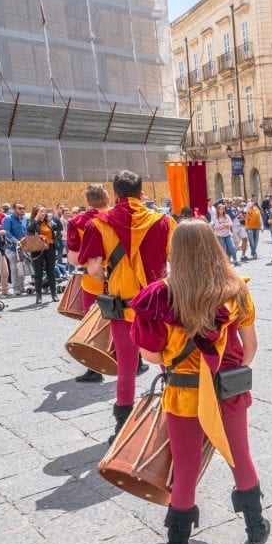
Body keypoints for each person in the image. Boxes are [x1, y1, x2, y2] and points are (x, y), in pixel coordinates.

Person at [130, 219, 268, 544]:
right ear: (213, 246)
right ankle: (255, 528)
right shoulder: (236, 290)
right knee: (241, 457)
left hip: (184, 394)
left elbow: (149, 355)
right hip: (228, 392)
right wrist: (229, 374)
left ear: (176, 251)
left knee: (186, 468)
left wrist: (179, 362)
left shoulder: (160, 295)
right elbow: (250, 347)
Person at [81, 170, 175, 444]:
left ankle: (122, 428)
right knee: (168, 360)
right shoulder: (164, 221)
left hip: (123, 308)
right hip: (159, 304)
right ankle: (175, 419)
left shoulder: (98, 224)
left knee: (126, 366)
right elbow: (177, 262)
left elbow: (95, 270)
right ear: (141, 193)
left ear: (115, 194)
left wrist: (113, 273)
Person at [67, 184, 112, 383]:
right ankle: (135, 361)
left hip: (93, 280)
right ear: (108, 199)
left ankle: (95, 369)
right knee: (128, 318)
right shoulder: (120, 217)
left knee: (92, 322)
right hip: (121, 277)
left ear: (87, 202)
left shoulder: (78, 221)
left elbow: (74, 259)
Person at [26, 205, 59, 305]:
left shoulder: (49, 221)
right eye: (41, 211)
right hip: (38, 248)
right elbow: (29, 230)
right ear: (35, 212)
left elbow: (59, 228)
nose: (43, 213)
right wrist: (36, 218)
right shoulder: (31, 221)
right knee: (38, 272)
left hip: (50, 248)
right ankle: (38, 295)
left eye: (44, 211)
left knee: (51, 272)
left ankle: (54, 293)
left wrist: (56, 217)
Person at [2, 203, 28, 295]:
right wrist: (16, 241)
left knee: (23, 267)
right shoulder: (8, 219)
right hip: (12, 248)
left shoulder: (25, 218)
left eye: (23, 208)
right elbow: (7, 232)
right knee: (15, 268)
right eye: (20, 208)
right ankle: (16, 288)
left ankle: (22, 286)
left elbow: (27, 231)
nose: (22, 209)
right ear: (14, 209)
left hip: (24, 248)